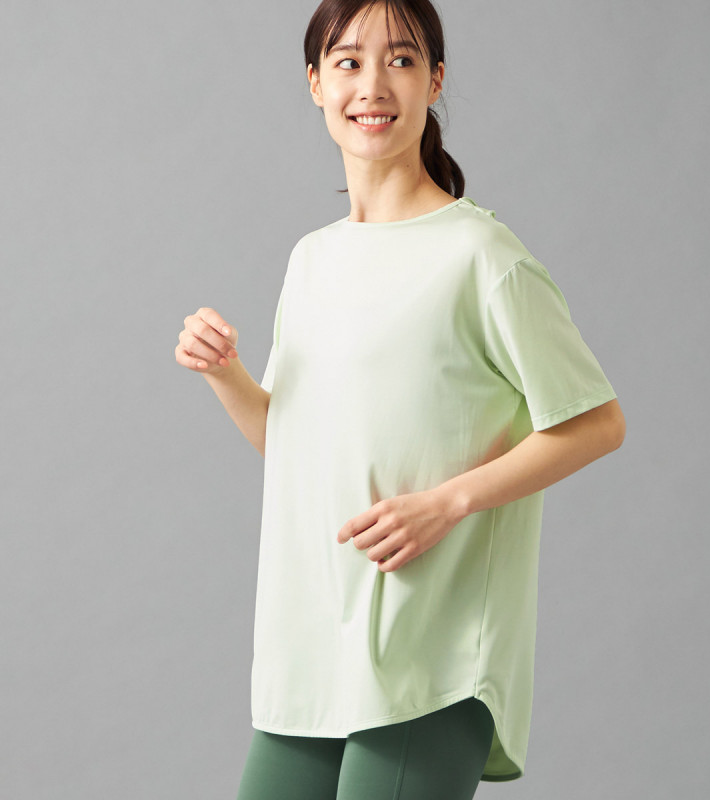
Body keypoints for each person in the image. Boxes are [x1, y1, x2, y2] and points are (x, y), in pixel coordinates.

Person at [174, 0, 626, 797]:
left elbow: (597, 422)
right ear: (316, 83)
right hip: (313, 652)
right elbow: (298, 451)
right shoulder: (311, 260)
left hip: (430, 656)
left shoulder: (481, 255)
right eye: (348, 62)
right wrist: (227, 375)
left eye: (402, 60)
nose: (373, 85)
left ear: (435, 81)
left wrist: (448, 502)